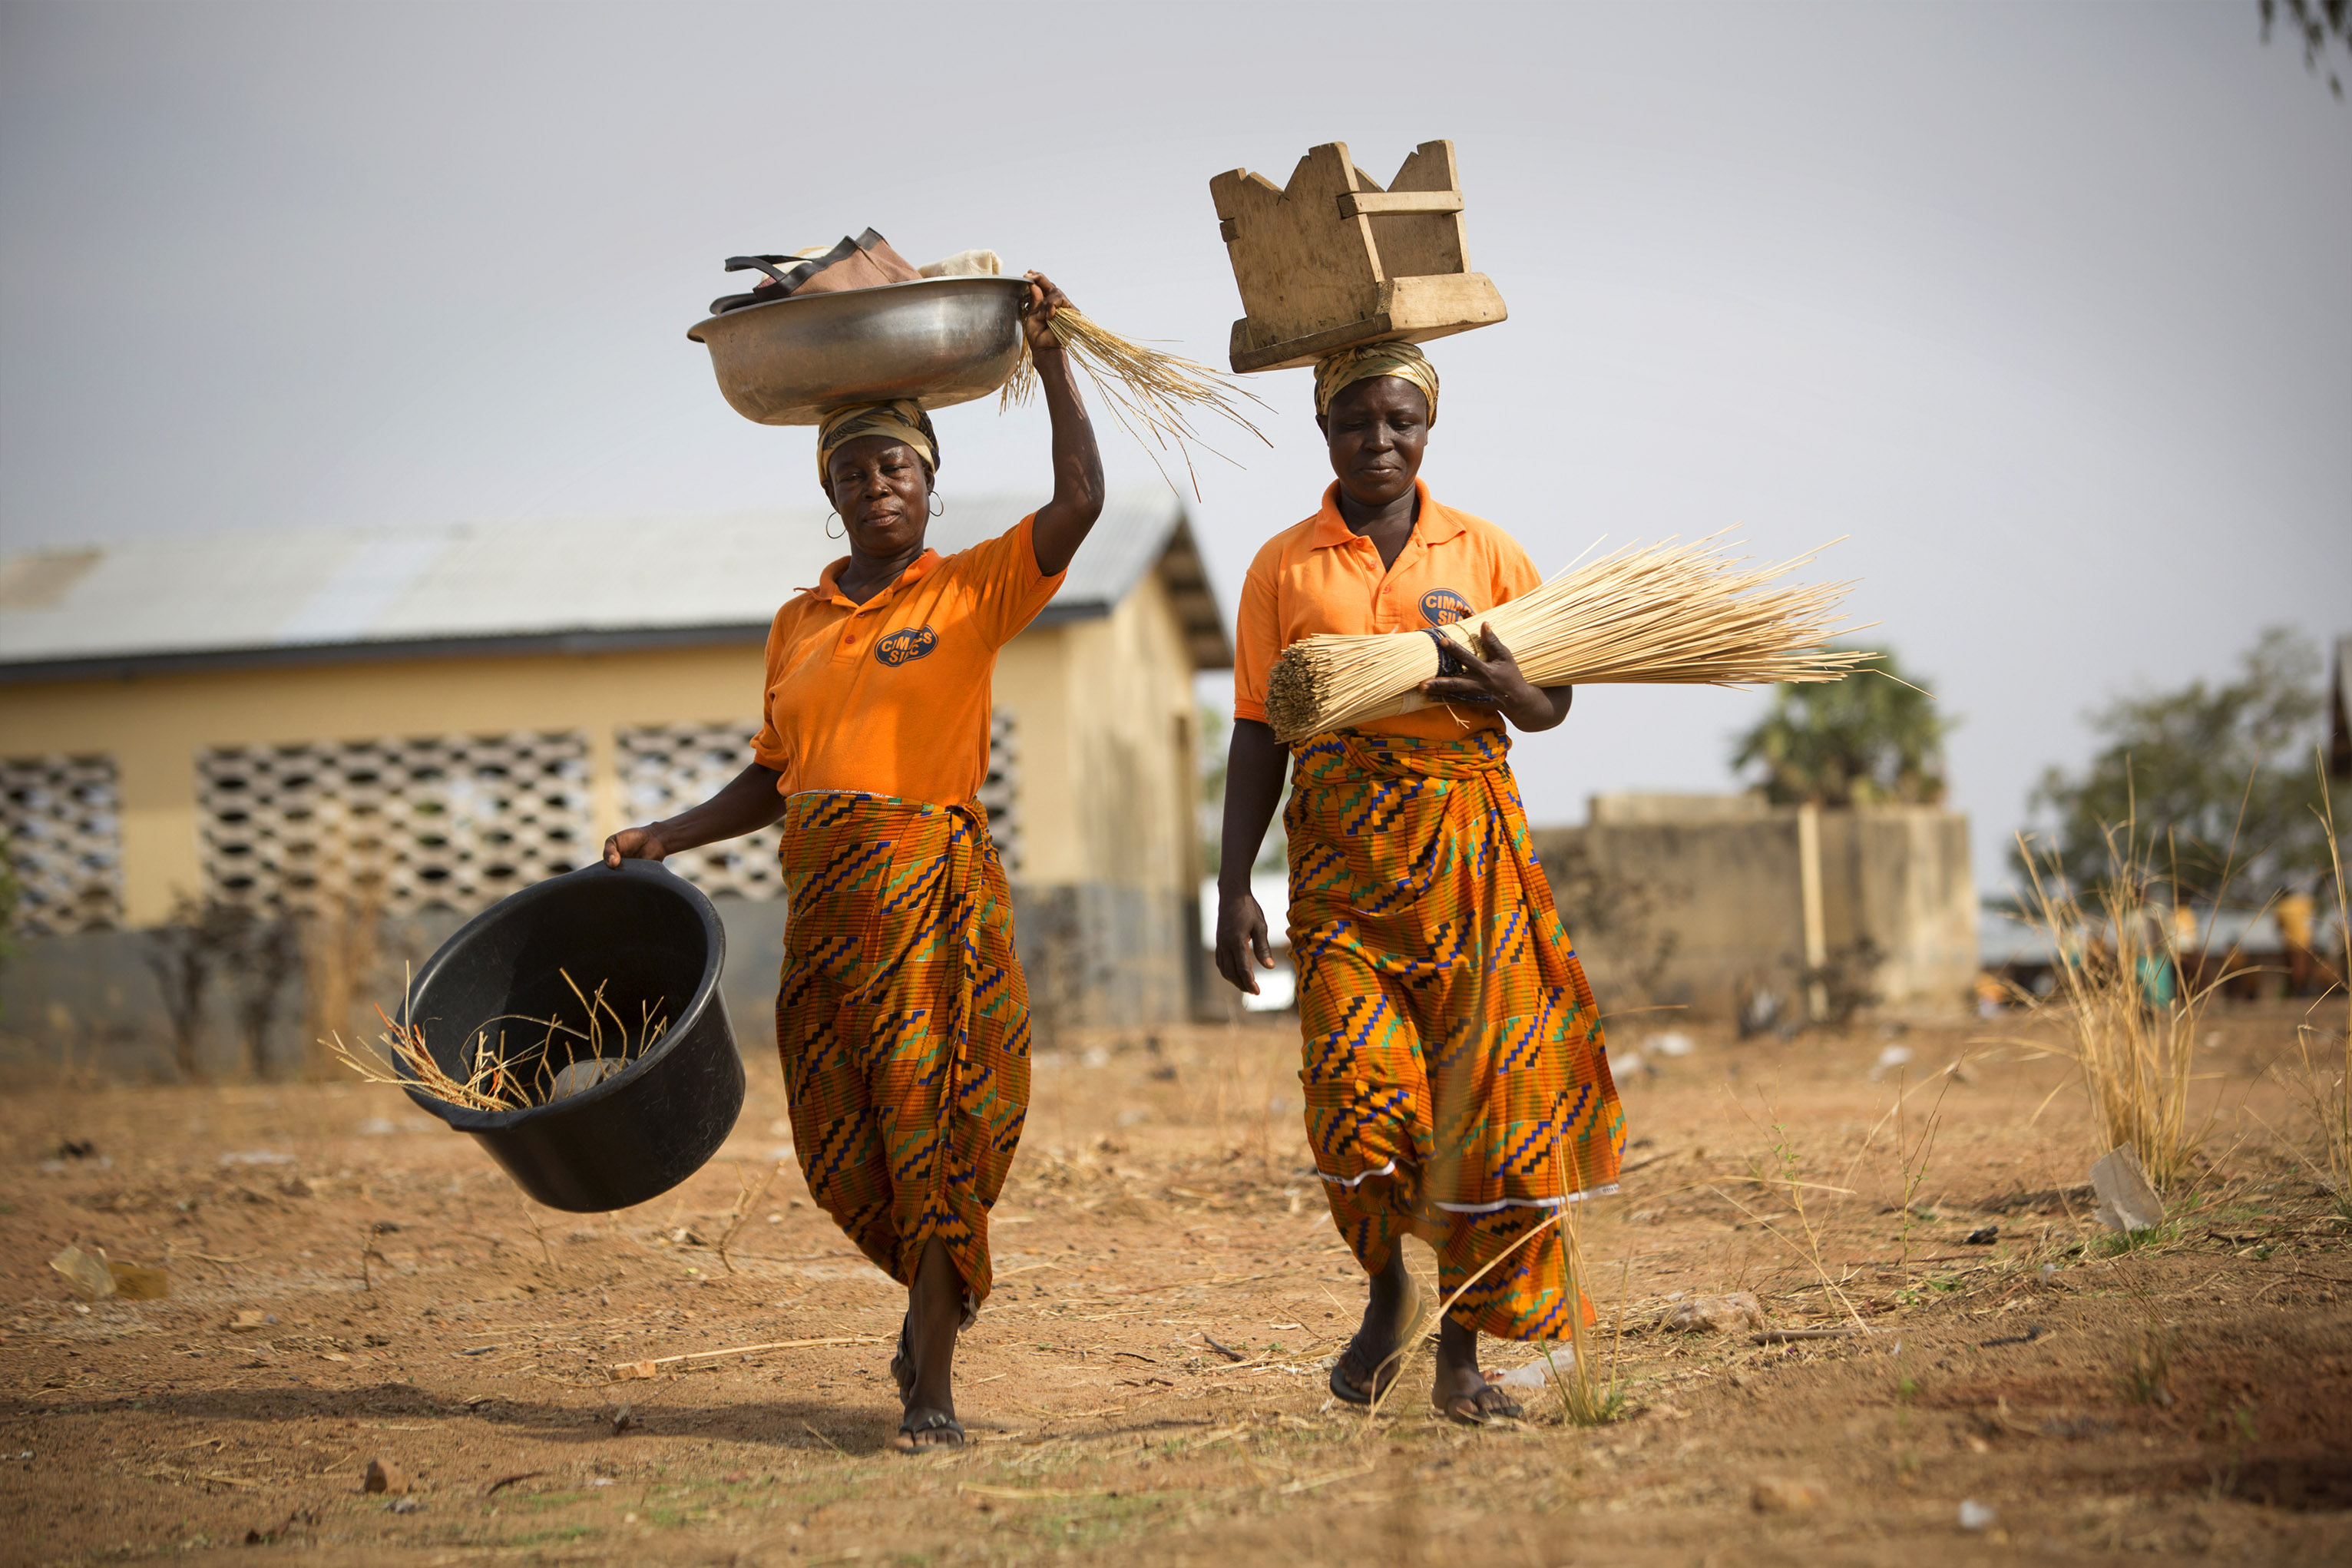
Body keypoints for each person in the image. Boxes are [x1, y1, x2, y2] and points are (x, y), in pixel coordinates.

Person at [604, 274, 1102, 1451]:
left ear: (930, 481)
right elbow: (778, 773)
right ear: (829, 492)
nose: (878, 486)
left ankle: (930, 1383)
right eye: (854, 472)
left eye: (897, 469)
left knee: (933, 1123)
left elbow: (1078, 497)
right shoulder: (800, 624)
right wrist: (666, 834)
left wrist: (1055, 357)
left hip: (931, 904)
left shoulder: (974, 587)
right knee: (842, 1143)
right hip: (826, 909)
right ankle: (931, 1310)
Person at [1213, 342, 1625, 1423]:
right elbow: (1258, 729)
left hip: (1471, 865)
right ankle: (1389, 1288)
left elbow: (1553, 705)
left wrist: (1511, 685)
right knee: (1358, 1100)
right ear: (1325, 430)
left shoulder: (1487, 552)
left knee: (1481, 1112)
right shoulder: (1283, 566)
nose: (1380, 441)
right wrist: (1231, 885)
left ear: (1429, 427)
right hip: (1343, 869)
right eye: (1357, 423)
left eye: (1401, 421)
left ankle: (1458, 1359)